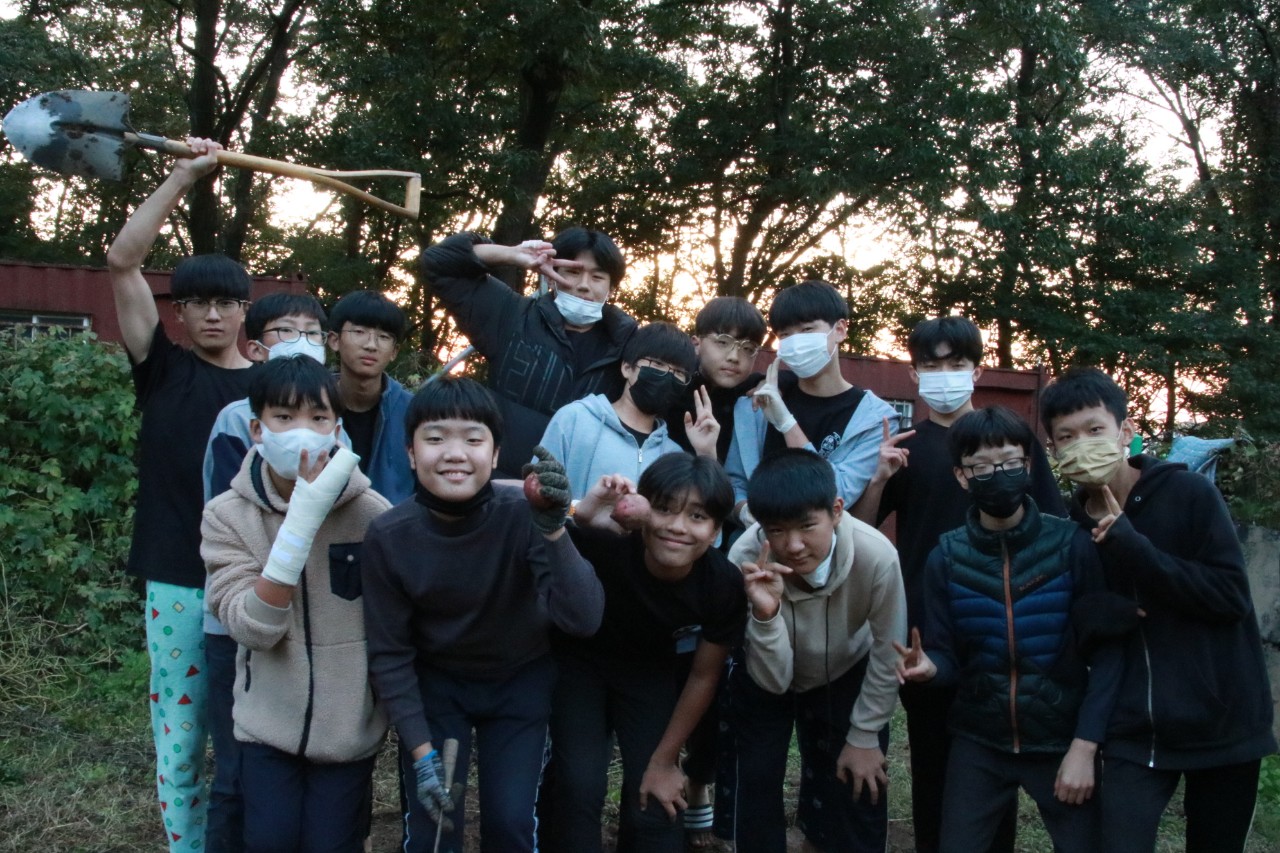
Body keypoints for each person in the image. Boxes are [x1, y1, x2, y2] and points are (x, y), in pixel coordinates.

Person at [361, 377, 605, 852]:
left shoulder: (523, 514)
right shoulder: (389, 537)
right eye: (435, 438)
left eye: (473, 440)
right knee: (434, 828)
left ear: (494, 456)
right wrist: (421, 752)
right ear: (411, 452)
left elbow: (584, 618)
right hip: (438, 685)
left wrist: (554, 531)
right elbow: (390, 653)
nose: (455, 454)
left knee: (511, 823)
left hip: (519, 681)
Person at [849, 315, 1064, 853]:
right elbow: (861, 531)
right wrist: (877, 477)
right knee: (933, 763)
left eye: (956, 363)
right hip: (928, 628)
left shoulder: (1011, 442)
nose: (944, 374)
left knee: (997, 763)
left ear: (977, 370)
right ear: (914, 374)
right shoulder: (906, 447)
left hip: (1005, 624)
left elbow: (1056, 527)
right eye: (931, 365)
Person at [1040, 367, 1277, 853]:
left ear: (1125, 431)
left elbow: (1230, 597)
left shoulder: (1189, 495)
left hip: (1222, 724)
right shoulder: (1073, 527)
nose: (1082, 444)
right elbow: (1077, 627)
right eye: (1066, 437)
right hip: (1136, 731)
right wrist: (1093, 614)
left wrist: (1135, 549)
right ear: (1054, 449)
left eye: (1094, 429)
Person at [104, 137, 260, 853]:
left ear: (244, 310)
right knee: (181, 734)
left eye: (226, 302)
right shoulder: (160, 368)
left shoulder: (271, 390)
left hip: (257, 583)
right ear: (180, 311)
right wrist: (183, 175)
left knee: (251, 734)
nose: (211, 315)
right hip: (177, 581)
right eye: (196, 303)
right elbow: (121, 260)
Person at [895, 406, 1122, 853]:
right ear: (962, 476)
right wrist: (929, 668)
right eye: (981, 467)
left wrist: (1085, 746)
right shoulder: (946, 557)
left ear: (1028, 466)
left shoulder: (1072, 546)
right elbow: (946, 655)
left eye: (1009, 463)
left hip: (1059, 740)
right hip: (979, 741)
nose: (997, 475)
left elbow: (1107, 655)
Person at [202, 356, 390, 852]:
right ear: (257, 430)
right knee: (270, 841)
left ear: (338, 430)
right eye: (284, 418)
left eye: (318, 418)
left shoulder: (373, 516)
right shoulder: (226, 516)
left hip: (347, 729)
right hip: (266, 725)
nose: (302, 432)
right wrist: (302, 518)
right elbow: (251, 628)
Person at [542, 454, 749, 853]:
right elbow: (542, 522)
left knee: (656, 799)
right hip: (579, 664)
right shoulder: (604, 543)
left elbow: (703, 675)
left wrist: (665, 760)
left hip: (649, 671)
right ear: (641, 510)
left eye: (697, 516)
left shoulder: (722, 584)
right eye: (664, 509)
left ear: (716, 531)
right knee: (579, 786)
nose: (677, 526)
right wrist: (581, 512)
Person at [198, 290, 329, 852]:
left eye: (312, 332)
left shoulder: (333, 424)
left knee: (302, 772)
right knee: (235, 773)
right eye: (285, 331)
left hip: (312, 626)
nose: (300, 343)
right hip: (239, 621)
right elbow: (243, 521)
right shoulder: (234, 420)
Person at [726, 448, 906, 852]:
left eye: (808, 526)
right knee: (756, 778)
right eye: (776, 530)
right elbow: (773, 680)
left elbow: (887, 650)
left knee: (859, 779)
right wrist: (767, 614)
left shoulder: (876, 555)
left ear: (836, 511)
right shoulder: (744, 559)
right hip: (765, 670)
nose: (793, 545)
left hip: (847, 665)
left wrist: (865, 734)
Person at [664, 296, 767, 847]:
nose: (734, 356)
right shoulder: (672, 393)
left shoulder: (760, 401)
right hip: (672, 548)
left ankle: (700, 785)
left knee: (718, 678)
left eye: (747, 347)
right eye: (722, 342)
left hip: (732, 556)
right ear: (697, 341)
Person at [421, 229, 637, 478]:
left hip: (581, 493)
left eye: (597, 277)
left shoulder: (628, 347)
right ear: (552, 277)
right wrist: (513, 254)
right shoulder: (511, 315)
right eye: (572, 272)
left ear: (612, 287)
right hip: (498, 485)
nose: (583, 285)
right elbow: (437, 262)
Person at [725, 280, 898, 513]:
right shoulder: (755, 405)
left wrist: (786, 423)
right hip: (756, 534)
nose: (796, 342)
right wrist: (748, 515)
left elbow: (839, 494)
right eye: (785, 335)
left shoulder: (876, 419)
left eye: (807, 330)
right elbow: (734, 484)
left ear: (840, 330)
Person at [539, 321, 718, 496]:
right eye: (657, 364)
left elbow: (703, 513)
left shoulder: (673, 456)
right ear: (627, 368)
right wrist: (577, 510)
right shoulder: (575, 419)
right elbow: (536, 495)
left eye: (679, 373)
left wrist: (706, 454)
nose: (667, 376)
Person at [326, 289, 415, 505]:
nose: (371, 345)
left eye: (383, 337)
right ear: (334, 340)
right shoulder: (311, 406)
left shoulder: (414, 411)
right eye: (359, 332)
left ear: (394, 352)